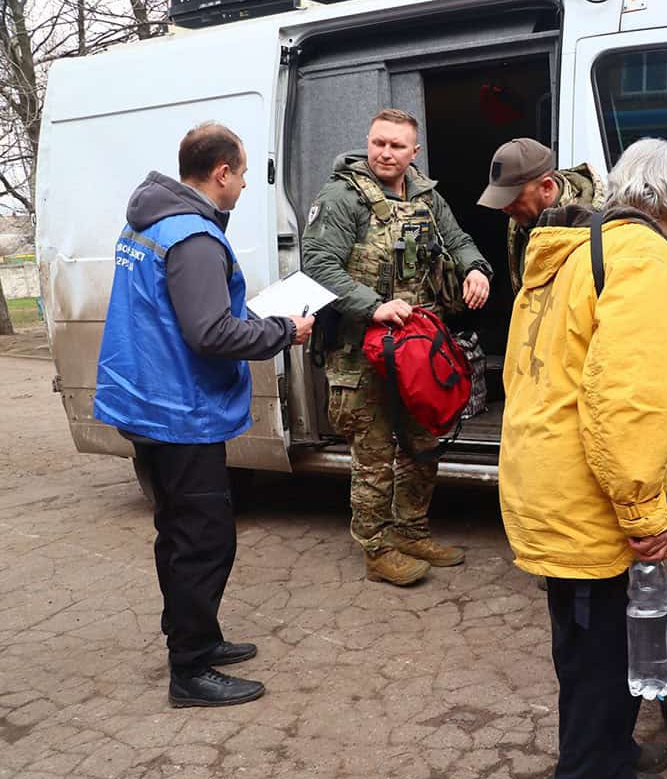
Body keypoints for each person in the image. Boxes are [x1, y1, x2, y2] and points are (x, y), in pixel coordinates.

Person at [499, 138, 667, 779]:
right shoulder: (644, 260)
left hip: (551, 477)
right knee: (598, 655)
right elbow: (628, 402)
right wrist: (645, 513)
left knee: (588, 644)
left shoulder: (575, 249)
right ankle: (592, 776)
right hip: (593, 497)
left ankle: (609, 749)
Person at [93, 123, 314, 707]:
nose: (243, 186)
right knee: (204, 539)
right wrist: (284, 330)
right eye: (242, 174)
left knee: (177, 530)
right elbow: (210, 333)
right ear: (221, 173)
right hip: (178, 412)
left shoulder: (151, 221)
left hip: (148, 400)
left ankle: (196, 636)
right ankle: (190, 670)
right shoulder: (194, 237)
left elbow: (176, 315)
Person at [303, 109, 493, 586]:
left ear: (414, 152)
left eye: (396, 146)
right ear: (368, 142)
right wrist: (373, 306)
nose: (385, 153)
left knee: (422, 445)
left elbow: (459, 240)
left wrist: (475, 269)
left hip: (416, 350)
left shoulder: (427, 196)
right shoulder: (342, 196)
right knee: (373, 456)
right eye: (378, 143)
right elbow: (318, 265)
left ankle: (411, 531)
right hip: (361, 352)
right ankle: (376, 549)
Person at [476, 137, 605, 293]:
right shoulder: (519, 221)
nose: (504, 208)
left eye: (512, 197)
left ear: (547, 187)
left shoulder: (596, 229)